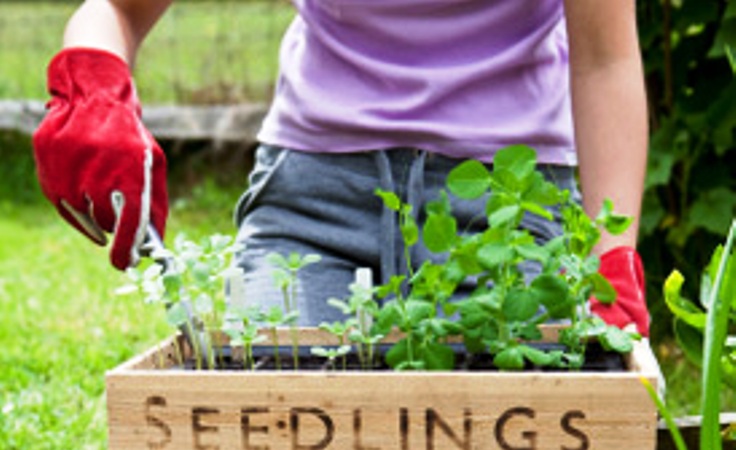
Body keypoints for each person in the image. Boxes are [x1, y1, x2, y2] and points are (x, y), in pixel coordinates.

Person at [33, 0, 650, 334]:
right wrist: (91, 87)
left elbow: (605, 61)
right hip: (312, 205)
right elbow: (116, 10)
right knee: (279, 438)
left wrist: (612, 260)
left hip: (503, 205)